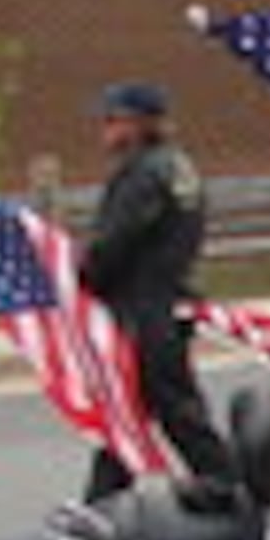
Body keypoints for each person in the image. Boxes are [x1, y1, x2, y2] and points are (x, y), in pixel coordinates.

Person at [78, 78, 229, 495]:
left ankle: (225, 486)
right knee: (129, 408)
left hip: (144, 307)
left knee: (169, 404)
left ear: (141, 124)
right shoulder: (176, 167)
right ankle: (102, 503)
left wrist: (82, 275)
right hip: (165, 298)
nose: (104, 131)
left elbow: (115, 243)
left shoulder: (145, 174)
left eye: (114, 121)